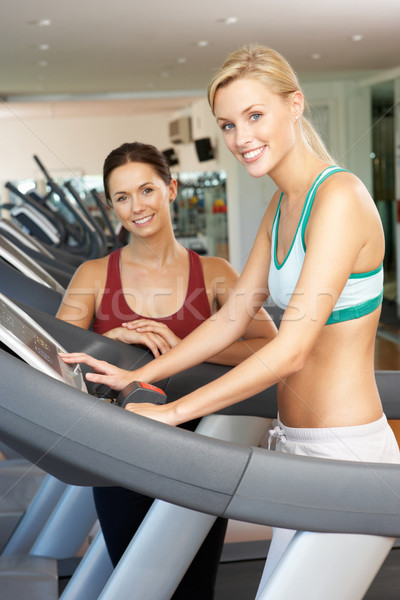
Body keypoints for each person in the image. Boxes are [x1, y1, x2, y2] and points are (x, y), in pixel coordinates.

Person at [60, 46, 400, 597]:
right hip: (295, 446)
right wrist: (136, 377)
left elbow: (290, 351)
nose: (241, 138)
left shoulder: (339, 196)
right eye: (227, 124)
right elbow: (230, 321)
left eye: (255, 116)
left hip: (348, 453)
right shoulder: (281, 204)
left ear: (296, 105)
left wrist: (172, 413)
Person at [57, 140, 277, 599]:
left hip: (202, 450)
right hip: (120, 451)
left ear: (171, 189)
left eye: (147, 190)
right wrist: (108, 341)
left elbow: (267, 347)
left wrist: (188, 348)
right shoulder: (94, 276)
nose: (137, 207)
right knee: (138, 583)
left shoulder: (214, 272)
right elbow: (54, 359)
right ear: (110, 204)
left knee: (195, 586)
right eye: (122, 197)